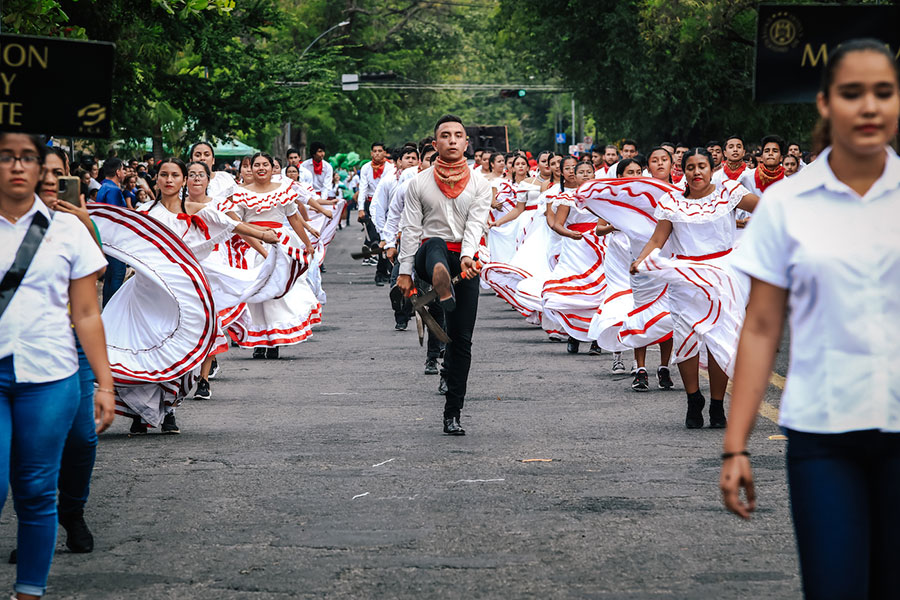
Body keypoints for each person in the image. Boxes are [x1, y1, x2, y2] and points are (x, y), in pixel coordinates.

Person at [721, 39, 900, 599]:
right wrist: (736, 444)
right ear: (825, 104)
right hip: (822, 435)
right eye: (852, 93)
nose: (868, 107)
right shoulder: (788, 203)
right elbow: (760, 327)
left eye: (883, 93)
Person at [0, 133, 114, 600]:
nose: (24, 169)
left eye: (32, 161)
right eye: (9, 158)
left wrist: (105, 383)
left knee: (36, 487)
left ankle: (31, 590)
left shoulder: (69, 229)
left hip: (53, 370)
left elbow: (87, 311)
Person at [631, 148, 758, 428]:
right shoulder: (672, 201)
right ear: (684, 171)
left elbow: (766, 210)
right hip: (684, 277)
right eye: (690, 167)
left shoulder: (729, 192)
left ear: (712, 169)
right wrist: (640, 260)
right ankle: (693, 399)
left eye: (702, 166)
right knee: (686, 339)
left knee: (718, 341)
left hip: (722, 277)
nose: (696, 172)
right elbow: (657, 239)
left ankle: (716, 404)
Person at [397, 115, 491, 435]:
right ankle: (439, 277)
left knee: (461, 340)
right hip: (429, 253)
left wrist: (466, 256)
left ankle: (453, 413)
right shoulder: (418, 183)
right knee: (434, 244)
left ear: (466, 143)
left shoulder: (480, 184)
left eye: (458, 135)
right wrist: (405, 271)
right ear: (435, 144)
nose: (452, 140)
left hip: (465, 261)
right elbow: (410, 229)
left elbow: (476, 226)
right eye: (445, 136)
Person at [95, 158, 128, 307]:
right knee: (117, 276)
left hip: (105, 239)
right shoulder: (114, 189)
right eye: (123, 170)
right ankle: (113, 310)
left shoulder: (103, 186)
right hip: (115, 240)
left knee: (109, 277)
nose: (125, 173)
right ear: (117, 171)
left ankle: (107, 309)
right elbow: (117, 216)